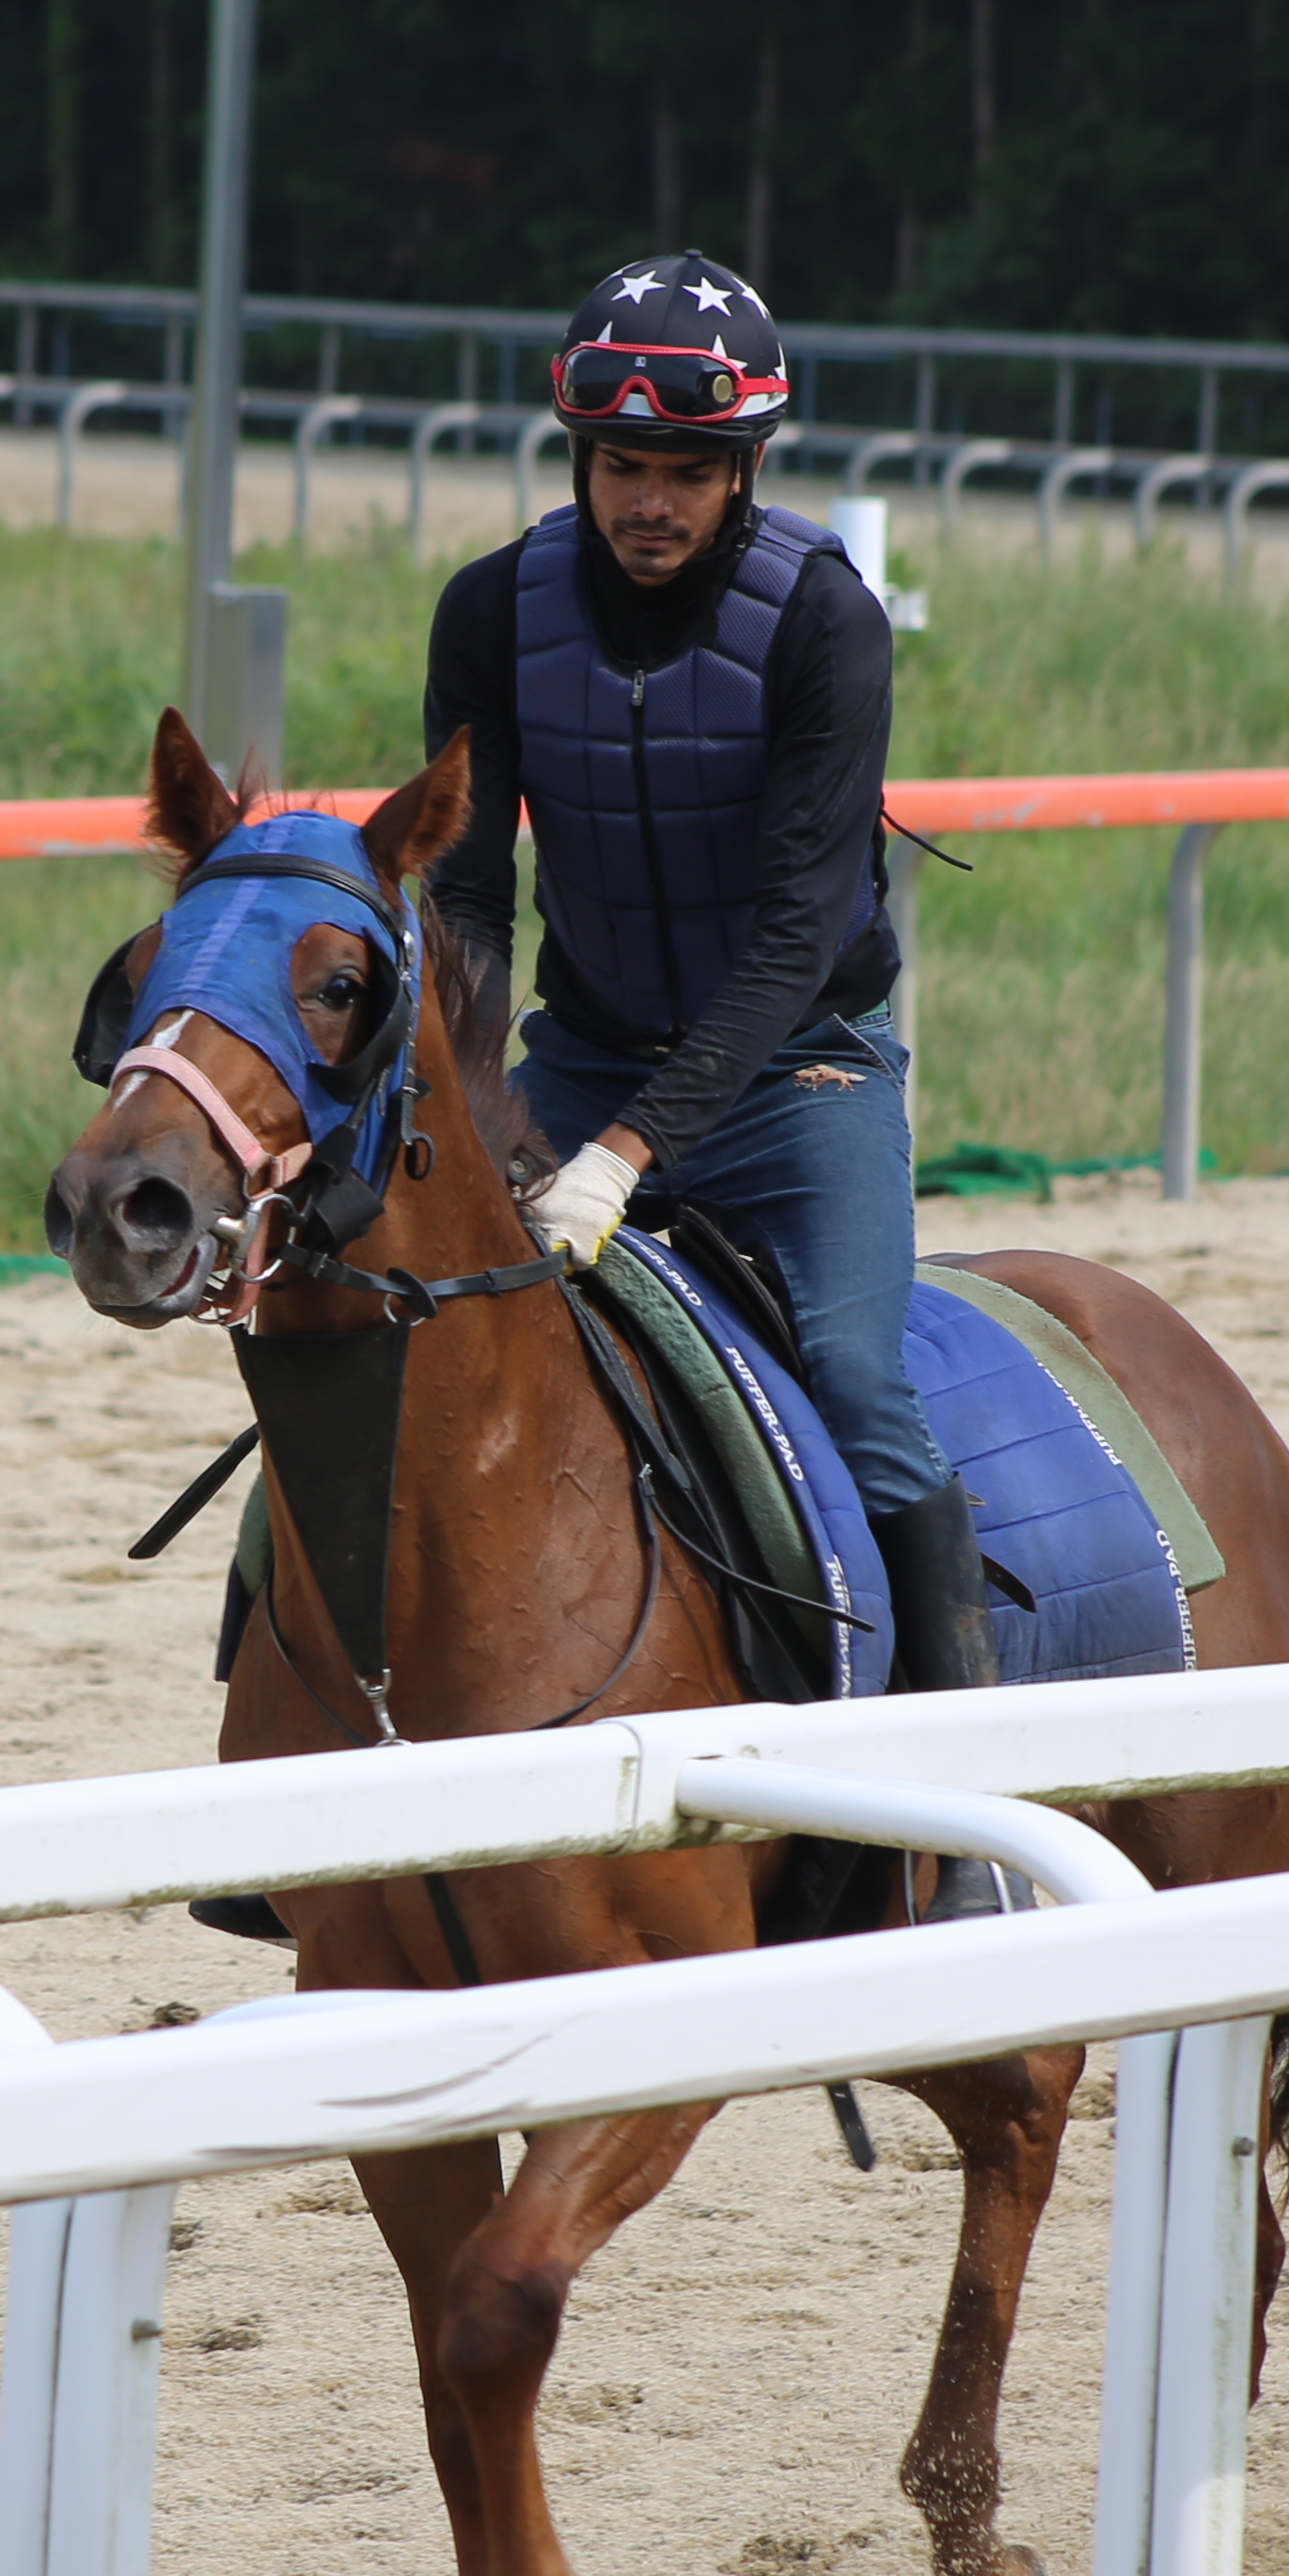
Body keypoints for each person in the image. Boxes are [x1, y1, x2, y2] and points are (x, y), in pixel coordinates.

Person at [412, 252, 998, 1870]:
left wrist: (622, 1159)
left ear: (742, 469)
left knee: (866, 1391)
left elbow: (802, 932)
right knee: (397, 1335)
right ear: (579, 458)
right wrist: (482, 1103)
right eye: (621, 467)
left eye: (682, 471)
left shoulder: (825, 621)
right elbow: (465, 890)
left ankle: (952, 1818)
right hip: (580, 1062)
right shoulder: (489, 612)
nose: (647, 503)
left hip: (797, 1077)